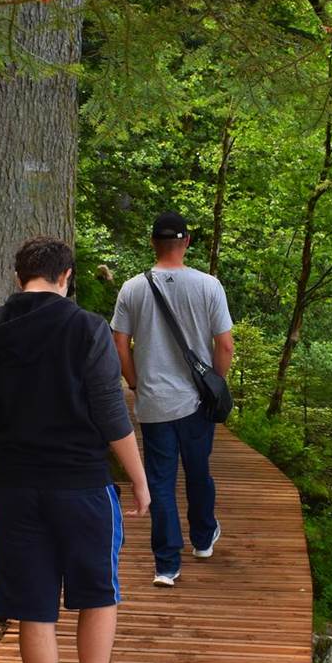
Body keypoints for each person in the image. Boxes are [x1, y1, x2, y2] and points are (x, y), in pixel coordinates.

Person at [0, 236, 151, 663]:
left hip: (17, 489)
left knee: (35, 611)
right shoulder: (86, 328)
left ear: (18, 276)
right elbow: (111, 413)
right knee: (98, 594)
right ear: (66, 276)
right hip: (82, 486)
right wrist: (138, 477)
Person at [111, 212, 234, 587]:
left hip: (153, 404)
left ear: (152, 243)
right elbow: (225, 344)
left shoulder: (132, 288)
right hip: (196, 403)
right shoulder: (209, 285)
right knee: (198, 472)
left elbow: (119, 343)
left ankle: (166, 565)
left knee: (160, 482)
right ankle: (202, 539)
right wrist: (214, 385)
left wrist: (135, 382)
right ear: (188, 241)